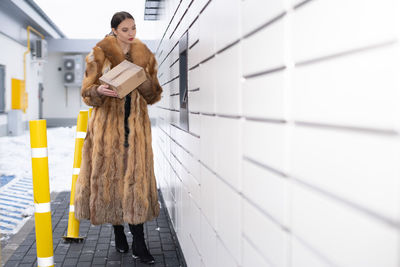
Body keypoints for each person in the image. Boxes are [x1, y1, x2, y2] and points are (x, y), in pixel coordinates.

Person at [74, 11, 162, 265]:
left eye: (133, 28)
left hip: (135, 132)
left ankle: (140, 242)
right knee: (111, 182)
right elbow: (86, 92)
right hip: (106, 131)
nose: (131, 33)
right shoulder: (98, 54)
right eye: (125, 29)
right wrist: (98, 90)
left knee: (134, 181)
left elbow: (154, 95)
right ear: (114, 30)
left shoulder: (144, 54)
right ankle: (117, 231)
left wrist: (143, 80)